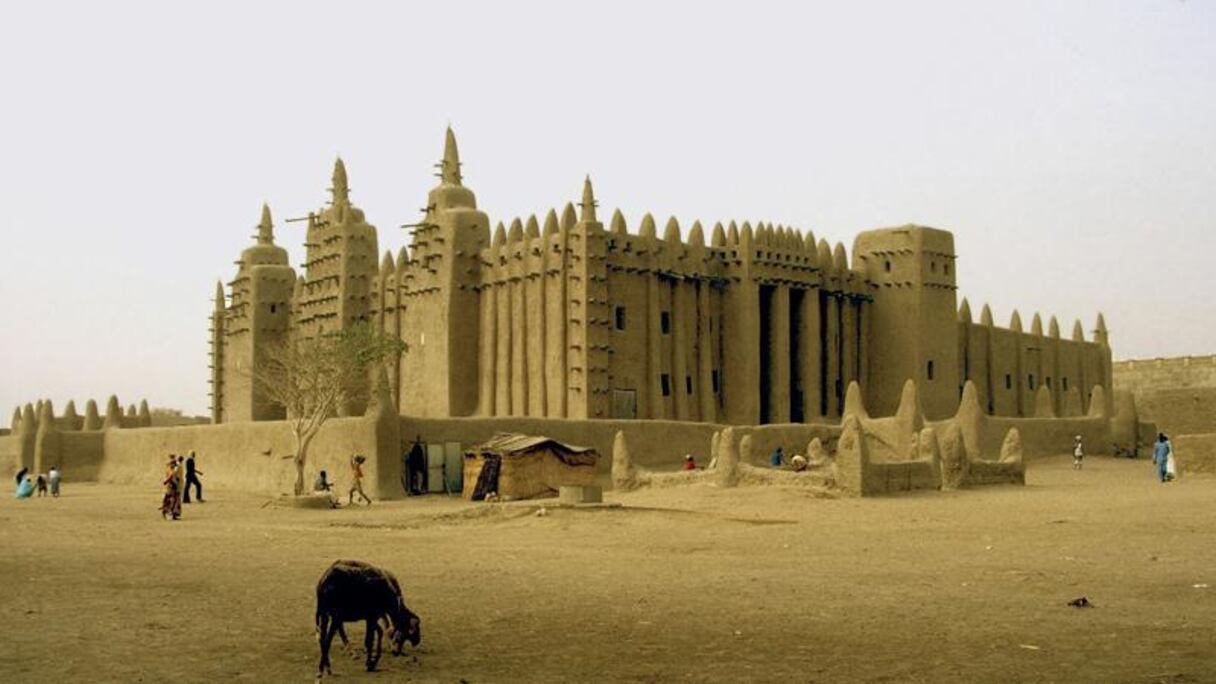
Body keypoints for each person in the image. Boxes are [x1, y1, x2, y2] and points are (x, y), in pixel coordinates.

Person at [161, 454, 182, 520]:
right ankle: (170, 513)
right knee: (173, 500)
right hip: (172, 486)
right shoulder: (171, 470)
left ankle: (169, 513)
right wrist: (166, 481)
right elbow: (170, 477)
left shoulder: (170, 469)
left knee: (170, 499)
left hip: (172, 486)